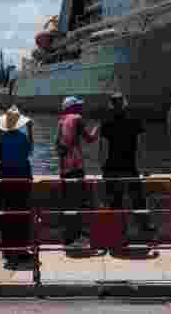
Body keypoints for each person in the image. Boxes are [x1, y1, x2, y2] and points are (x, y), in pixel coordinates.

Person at [100, 92, 156, 239]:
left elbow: (104, 148)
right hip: (130, 168)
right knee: (138, 200)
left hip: (111, 169)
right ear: (125, 104)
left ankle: (118, 234)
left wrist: (102, 167)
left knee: (115, 203)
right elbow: (140, 146)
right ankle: (145, 230)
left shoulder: (106, 122)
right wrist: (144, 167)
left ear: (110, 105)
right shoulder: (135, 120)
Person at [56, 95, 98, 250]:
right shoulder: (77, 119)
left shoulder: (61, 121)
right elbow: (90, 139)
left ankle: (67, 238)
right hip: (76, 167)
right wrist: (97, 128)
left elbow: (58, 146)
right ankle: (76, 238)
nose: (81, 108)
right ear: (72, 108)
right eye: (78, 106)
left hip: (64, 168)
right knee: (77, 203)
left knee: (67, 203)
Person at [0, 105, 35, 266]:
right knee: (21, 215)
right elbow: (30, 152)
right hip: (21, 179)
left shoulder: (2, 138)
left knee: (8, 214)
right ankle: (20, 250)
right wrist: (30, 131)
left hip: (6, 180)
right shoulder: (22, 138)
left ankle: (8, 249)